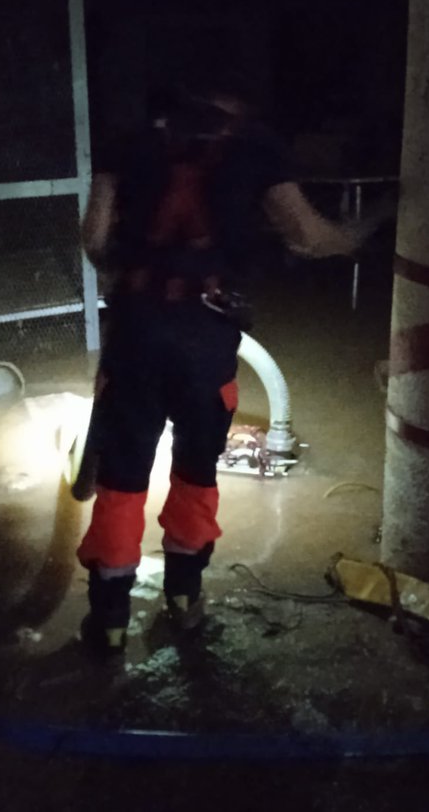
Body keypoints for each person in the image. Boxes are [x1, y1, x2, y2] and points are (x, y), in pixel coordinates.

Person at [77, 74, 388, 653]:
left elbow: (94, 238)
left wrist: (139, 279)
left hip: (137, 333)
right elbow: (306, 235)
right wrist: (354, 239)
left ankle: (110, 619)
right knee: (196, 470)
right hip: (207, 335)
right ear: (236, 98)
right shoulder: (256, 145)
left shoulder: (129, 143)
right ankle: (184, 597)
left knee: (121, 476)